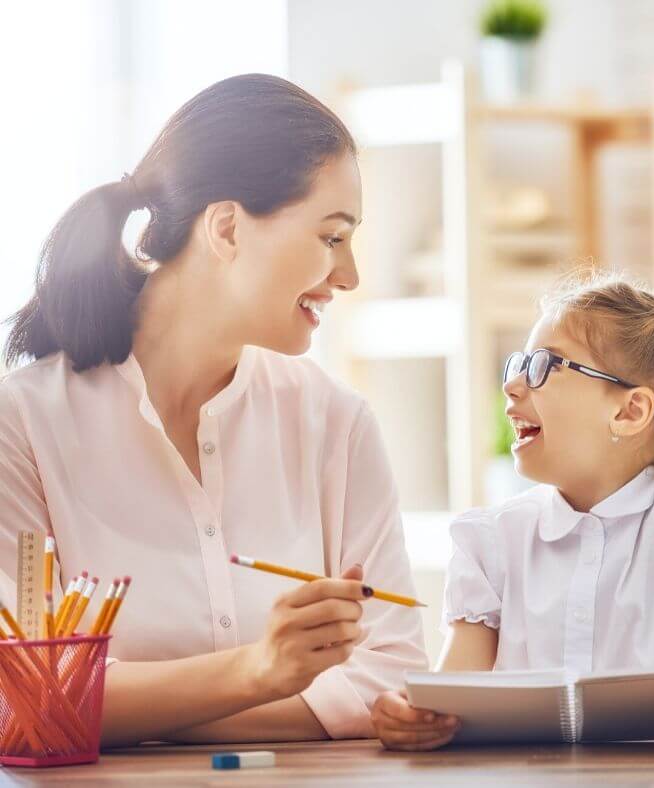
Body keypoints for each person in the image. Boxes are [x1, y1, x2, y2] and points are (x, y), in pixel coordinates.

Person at [0, 74, 426, 747]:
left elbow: (391, 676)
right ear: (227, 227)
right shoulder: (20, 426)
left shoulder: (335, 421)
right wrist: (259, 672)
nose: (349, 276)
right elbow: (16, 700)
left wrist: (128, 712)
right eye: (332, 236)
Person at [372, 272, 654, 751]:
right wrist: (411, 719)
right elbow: (445, 708)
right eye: (518, 365)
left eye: (544, 366)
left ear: (630, 412)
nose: (512, 387)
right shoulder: (489, 541)